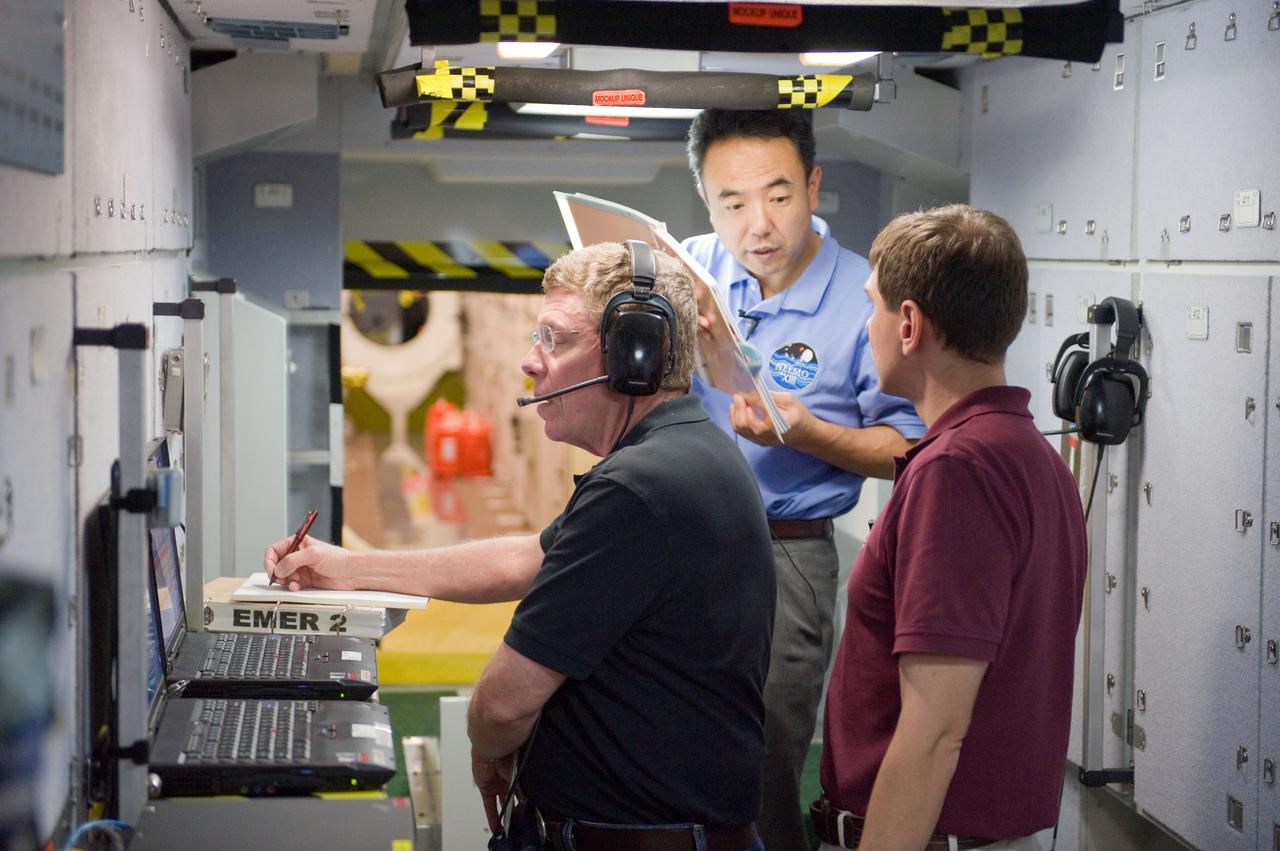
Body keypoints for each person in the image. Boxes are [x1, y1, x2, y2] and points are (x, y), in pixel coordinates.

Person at [266, 241, 775, 851]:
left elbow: (503, 704)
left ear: (634, 356)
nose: (531, 361)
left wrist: (486, 746)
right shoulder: (685, 452)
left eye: (555, 339)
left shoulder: (638, 489)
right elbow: (525, 559)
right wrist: (346, 568)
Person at [682, 108, 926, 851]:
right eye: (732, 202)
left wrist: (803, 431)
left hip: (785, 552)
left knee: (761, 764)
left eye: (779, 194)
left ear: (814, 185)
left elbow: (906, 451)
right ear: (707, 203)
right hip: (679, 544)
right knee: (670, 749)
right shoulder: (688, 267)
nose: (757, 223)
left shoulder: (866, 295)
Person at [813, 205, 1088, 851]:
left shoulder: (957, 470)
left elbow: (935, 731)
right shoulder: (1029, 454)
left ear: (909, 324)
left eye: (872, 306)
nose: (866, 325)